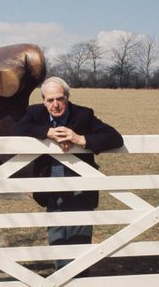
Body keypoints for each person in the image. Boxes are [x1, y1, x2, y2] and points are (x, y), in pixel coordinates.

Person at [13, 76, 123, 271]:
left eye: (60, 99)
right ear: (43, 100)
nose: (55, 105)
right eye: (50, 100)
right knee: (56, 229)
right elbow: (16, 131)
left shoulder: (83, 115)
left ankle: (78, 275)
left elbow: (114, 137)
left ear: (67, 97)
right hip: (50, 183)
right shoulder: (34, 113)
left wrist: (80, 139)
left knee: (80, 229)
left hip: (80, 184)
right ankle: (62, 275)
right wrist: (47, 132)